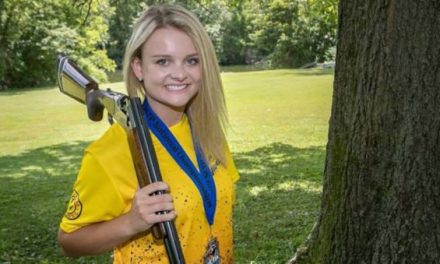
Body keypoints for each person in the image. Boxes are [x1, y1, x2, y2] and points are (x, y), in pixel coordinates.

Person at [57, 4, 240, 263]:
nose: (179, 73)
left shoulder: (208, 131)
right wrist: (131, 223)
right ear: (139, 67)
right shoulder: (109, 152)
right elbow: (69, 242)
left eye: (192, 60)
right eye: (163, 61)